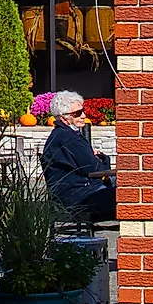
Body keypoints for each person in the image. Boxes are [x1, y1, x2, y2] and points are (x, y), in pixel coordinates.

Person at [40, 91, 116, 223]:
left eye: (83, 111)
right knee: (133, 196)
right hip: (79, 199)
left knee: (129, 188)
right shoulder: (68, 138)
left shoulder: (62, 135)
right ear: (63, 117)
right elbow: (94, 169)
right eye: (77, 113)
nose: (84, 116)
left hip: (75, 194)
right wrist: (104, 159)